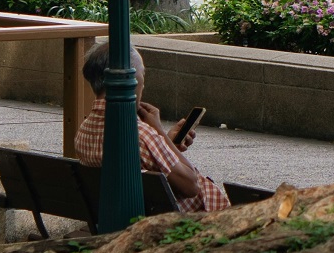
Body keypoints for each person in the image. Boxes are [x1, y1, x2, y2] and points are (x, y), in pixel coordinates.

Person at [74, 41, 229, 212]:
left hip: (118, 211)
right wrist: (158, 132)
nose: (143, 84)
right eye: (142, 75)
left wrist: (164, 142)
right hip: (184, 222)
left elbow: (145, 159)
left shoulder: (84, 130)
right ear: (129, 79)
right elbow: (191, 185)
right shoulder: (140, 135)